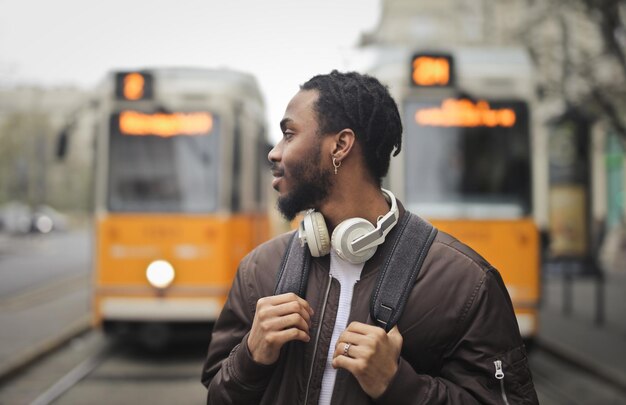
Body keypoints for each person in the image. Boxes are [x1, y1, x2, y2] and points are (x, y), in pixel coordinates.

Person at [201, 70, 539, 404]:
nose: (275, 153)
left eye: (289, 134)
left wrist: (397, 385)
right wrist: (250, 357)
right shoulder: (258, 270)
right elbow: (218, 396)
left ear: (341, 146)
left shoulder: (467, 284)